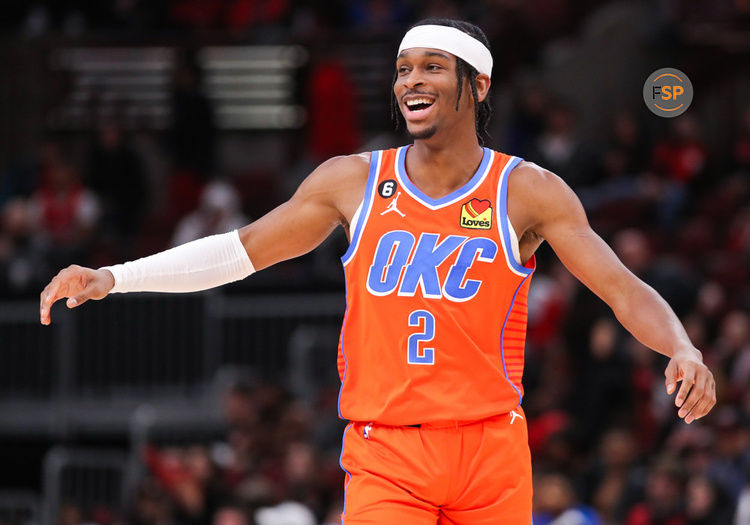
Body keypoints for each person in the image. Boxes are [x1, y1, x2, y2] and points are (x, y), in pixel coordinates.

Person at [39, 18, 716, 524]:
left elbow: (622, 287)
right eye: (401, 69)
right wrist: (115, 276)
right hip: (388, 452)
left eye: (430, 67)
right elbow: (239, 250)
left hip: (492, 449)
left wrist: (681, 345)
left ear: (475, 85)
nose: (410, 81)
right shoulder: (354, 182)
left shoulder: (528, 191)